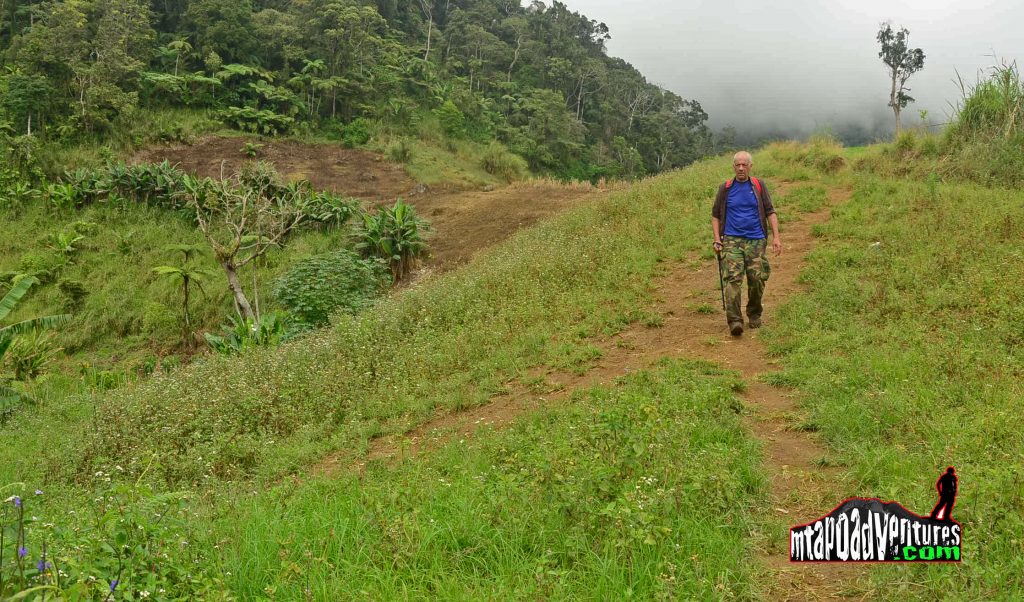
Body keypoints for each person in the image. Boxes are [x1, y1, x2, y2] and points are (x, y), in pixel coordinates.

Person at [711, 151, 782, 336]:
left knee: (756, 279)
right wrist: (717, 239)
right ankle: (735, 320)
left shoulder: (759, 186)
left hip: (756, 240)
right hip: (732, 240)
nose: (741, 168)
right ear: (733, 167)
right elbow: (716, 216)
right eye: (737, 165)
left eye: (744, 165)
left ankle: (754, 313)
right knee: (733, 279)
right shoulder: (725, 188)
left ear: (750, 166)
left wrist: (776, 237)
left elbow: (770, 212)